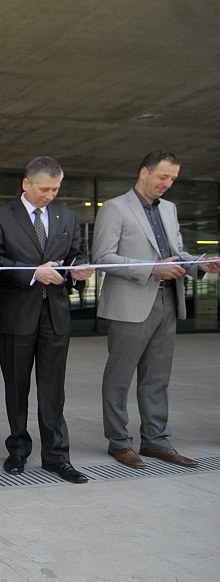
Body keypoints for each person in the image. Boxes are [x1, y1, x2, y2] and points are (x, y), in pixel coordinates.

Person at [92, 150, 220, 469]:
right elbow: (102, 257)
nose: (167, 183)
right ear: (144, 173)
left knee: (157, 378)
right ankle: (119, 442)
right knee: (119, 378)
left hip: (167, 300)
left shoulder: (171, 209)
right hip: (131, 303)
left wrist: (200, 264)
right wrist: (152, 269)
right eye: (163, 176)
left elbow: (175, 253)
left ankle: (156, 441)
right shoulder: (114, 208)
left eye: (173, 179)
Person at [0, 157, 95, 483]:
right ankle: (18, 450)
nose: (50, 195)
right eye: (44, 188)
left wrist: (79, 269)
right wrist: (32, 273)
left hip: (55, 314)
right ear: (26, 184)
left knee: (53, 389)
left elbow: (76, 253)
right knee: (16, 388)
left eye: (55, 189)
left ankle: (56, 455)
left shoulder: (68, 216)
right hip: (15, 314)